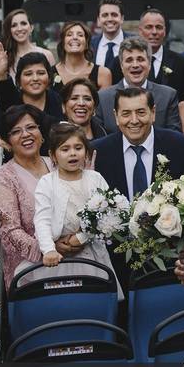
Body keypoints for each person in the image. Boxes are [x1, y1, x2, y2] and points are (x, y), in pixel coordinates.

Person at [91, 87, 184, 291]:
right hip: (117, 262)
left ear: (152, 112)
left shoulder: (181, 146)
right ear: (115, 116)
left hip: (170, 262)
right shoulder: (98, 152)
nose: (134, 120)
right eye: (126, 113)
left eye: (141, 112)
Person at [34, 123, 123, 299]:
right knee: (65, 300)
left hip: (94, 254)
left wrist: (82, 237)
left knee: (96, 297)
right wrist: (49, 250)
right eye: (65, 149)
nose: (72, 153)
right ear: (53, 155)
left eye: (78, 148)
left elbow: (110, 214)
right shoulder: (47, 182)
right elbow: (41, 219)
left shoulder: (95, 178)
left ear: (86, 152)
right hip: (60, 257)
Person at [0, 105, 64, 290]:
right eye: (16, 131)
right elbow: (11, 230)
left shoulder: (57, 164)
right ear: (7, 141)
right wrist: (49, 249)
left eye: (31, 127)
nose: (25, 134)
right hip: (32, 269)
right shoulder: (4, 178)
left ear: (41, 132)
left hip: (73, 258)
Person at [0, 49, 63, 163]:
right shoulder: (2, 107)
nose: (35, 78)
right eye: (28, 74)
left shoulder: (58, 101)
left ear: (49, 78)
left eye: (41, 73)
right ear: (18, 81)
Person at [96, 38, 181, 134]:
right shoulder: (102, 98)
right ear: (121, 66)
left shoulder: (168, 96)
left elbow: (174, 136)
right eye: (129, 60)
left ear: (149, 64)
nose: (135, 65)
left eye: (140, 59)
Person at [111, 8, 184, 100]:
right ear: (140, 30)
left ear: (164, 31)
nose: (154, 32)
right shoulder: (119, 62)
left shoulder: (181, 63)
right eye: (149, 27)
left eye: (158, 27)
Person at [52, 21, 112, 92]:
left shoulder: (103, 74)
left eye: (80, 35)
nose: (74, 37)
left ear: (87, 43)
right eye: (69, 34)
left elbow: (105, 102)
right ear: (63, 43)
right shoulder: (49, 73)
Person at [90, 0, 134, 72]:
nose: (109, 19)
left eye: (114, 15)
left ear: (122, 19)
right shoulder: (89, 44)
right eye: (105, 15)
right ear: (98, 20)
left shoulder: (135, 43)